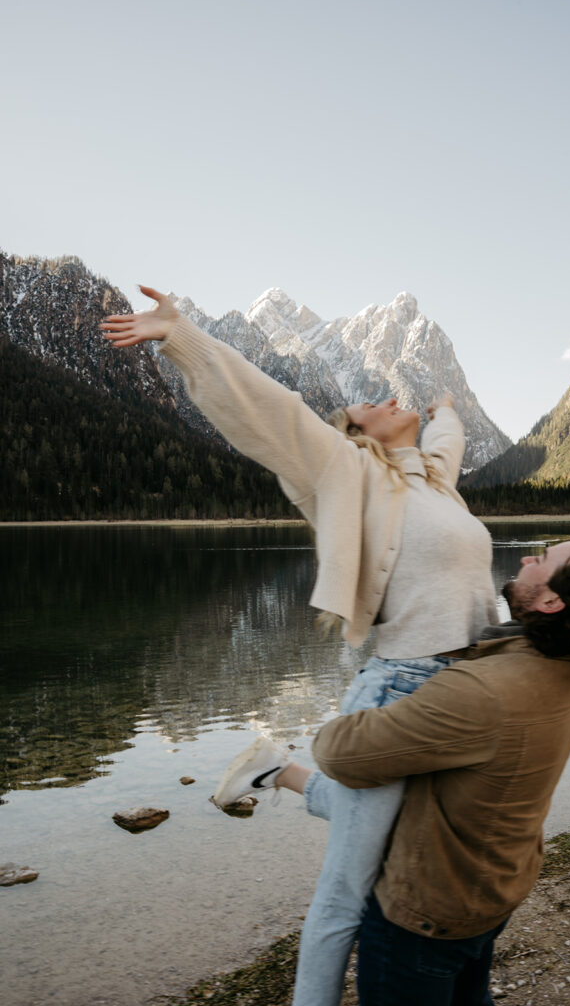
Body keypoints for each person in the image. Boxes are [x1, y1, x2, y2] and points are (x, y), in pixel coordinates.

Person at [100, 286, 499, 1006]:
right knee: (348, 888)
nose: (381, 395)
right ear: (359, 433)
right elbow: (269, 410)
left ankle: (275, 771)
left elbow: (446, 442)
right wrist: (183, 338)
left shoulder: (438, 484)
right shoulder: (345, 472)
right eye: (368, 404)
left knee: (416, 844)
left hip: (467, 690)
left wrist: (444, 412)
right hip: (401, 691)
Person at [303, 533, 570, 1006]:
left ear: (550, 601)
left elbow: (338, 753)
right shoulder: (560, 670)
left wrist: (383, 690)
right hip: (487, 895)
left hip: (426, 916)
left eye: (542, 559)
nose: (526, 557)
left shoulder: (485, 692)